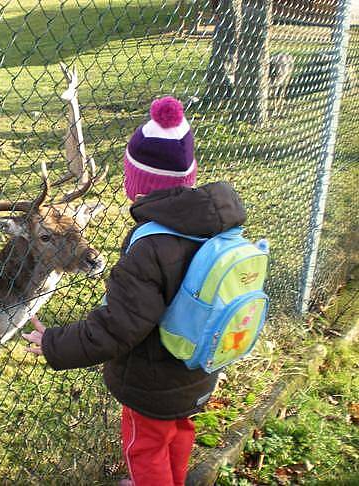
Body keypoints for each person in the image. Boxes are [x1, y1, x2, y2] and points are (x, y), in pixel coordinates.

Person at [22, 96, 247, 486]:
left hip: (152, 381)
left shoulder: (149, 248)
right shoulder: (212, 225)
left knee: (144, 448)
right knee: (179, 433)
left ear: (136, 185)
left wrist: (55, 343)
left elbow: (118, 326)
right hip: (198, 368)